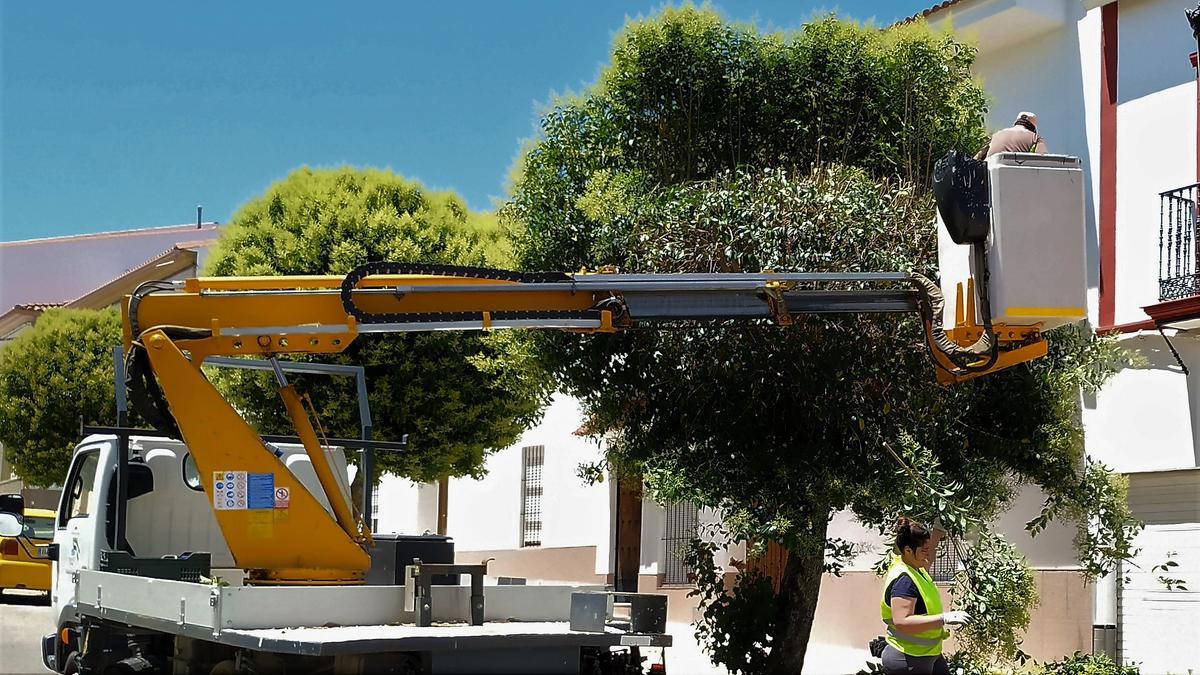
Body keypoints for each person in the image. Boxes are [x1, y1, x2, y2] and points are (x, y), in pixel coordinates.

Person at [879, 517, 969, 675]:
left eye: (927, 549)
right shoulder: (904, 581)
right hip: (908, 657)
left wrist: (937, 532)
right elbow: (902, 621)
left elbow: (930, 555)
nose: (927, 554)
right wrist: (944, 618)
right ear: (908, 550)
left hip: (927, 653)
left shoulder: (915, 568)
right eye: (923, 550)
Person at [974, 111, 1047, 160]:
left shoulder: (996, 135)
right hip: (1015, 176)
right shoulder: (1036, 137)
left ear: (1016, 122)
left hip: (987, 175)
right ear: (1033, 128)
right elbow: (1043, 159)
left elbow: (976, 158)